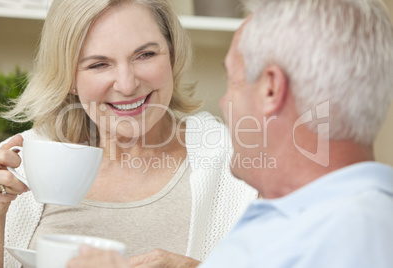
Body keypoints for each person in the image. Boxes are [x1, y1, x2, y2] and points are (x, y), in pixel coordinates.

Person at [67, 0, 393, 267]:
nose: (223, 102)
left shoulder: (354, 235)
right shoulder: (300, 222)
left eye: (233, 81)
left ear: (271, 89)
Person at [0, 0, 258, 267]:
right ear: (69, 78)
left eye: (145, 55)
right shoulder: (18, 164)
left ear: (172, 55)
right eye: (98, 64)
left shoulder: (238, 167)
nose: (127, 85)